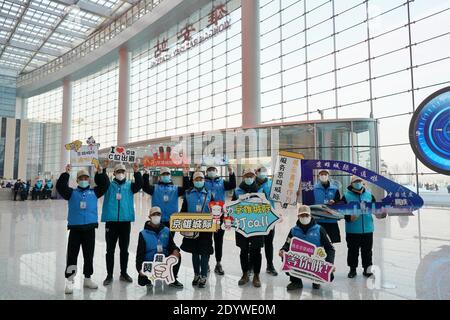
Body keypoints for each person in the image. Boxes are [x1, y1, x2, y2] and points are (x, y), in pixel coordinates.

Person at [56, 163, 110, 294]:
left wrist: (100, 173)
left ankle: (87, 278)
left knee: (88, 255)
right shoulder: (71, 193)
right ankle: (69, 281)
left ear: (89, 180)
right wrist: (66, 173)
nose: (84, 180)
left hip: (90, 229)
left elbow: (105, 185)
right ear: (77, 180)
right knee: (72, 256)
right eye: (81, 178)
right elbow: (60, 187)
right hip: (75, 230)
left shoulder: (94, 192)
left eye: (86, 178)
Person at [101, 161, 143, 286]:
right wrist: (103, 170)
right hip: (111, 222)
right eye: (118, 171)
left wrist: (136, 172)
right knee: (110, 250)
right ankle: (109, 275)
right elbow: (101, 181)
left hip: (125, 222)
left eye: (122, 172)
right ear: (114, 173)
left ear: (125, 173)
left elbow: (140, 184)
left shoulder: (130, 185)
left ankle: (123, 273)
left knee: (124, 250)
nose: (120, 174)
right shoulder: (108, 185)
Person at [279, 205, 335, 290]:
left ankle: (317, 280)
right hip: (300, 260)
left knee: (329, 276)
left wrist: (329, 264)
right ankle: (296, 281)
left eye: (306, 215)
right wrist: (282, 250)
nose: (304, 217)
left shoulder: (319, 229)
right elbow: (287, 244)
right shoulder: (294, 230)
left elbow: (330, 248)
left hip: (316, 260)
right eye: (302, 215)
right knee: (286, 258)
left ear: (310, 215)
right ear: (298, 216)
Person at [342, 175, 385, 278]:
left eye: (359, 181)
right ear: (351, 183)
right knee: (353, 251)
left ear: (363, 182)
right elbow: (342, 211)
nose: (358, 183)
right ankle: (352, 270)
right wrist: (349, 217)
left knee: (367, 251)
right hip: (352, 229)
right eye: (355, 181)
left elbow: (376, 210)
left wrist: (382, 213)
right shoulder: (346, 196)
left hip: (367, 228)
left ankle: (367, 269)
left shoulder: (369, 195)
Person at [180, 172, 214, 288]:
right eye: (197, 179)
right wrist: (180, 222)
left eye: (201, 179)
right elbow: (183, 210)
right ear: (193, 181)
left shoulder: (209, 194)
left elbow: (215, 210)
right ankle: (196, 274)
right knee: (194, 252)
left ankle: (203, 275)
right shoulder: (188, 194)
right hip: (192, 227)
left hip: (206, 228)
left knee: (204, 252)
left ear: (204, 180)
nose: (199, 181)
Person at [136, 206, 183, 289]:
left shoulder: (166, 230)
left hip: (164, 259)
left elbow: (172, 244)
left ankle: (173, 278)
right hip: (150, 260)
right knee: (142, 282)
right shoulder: (143, 234)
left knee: (178, 255)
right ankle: (149, 278)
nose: (156, 216)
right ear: (149, 217)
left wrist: (175, 250)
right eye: (154, 214)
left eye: (158, 214)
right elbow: (140, 253)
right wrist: (139, 269)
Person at [232, 168, 264, 288]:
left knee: (256, 251)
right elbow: (232, 207)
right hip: (242, 225)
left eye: (251, 176)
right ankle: (245, 274)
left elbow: (266, 207)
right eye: (247, 176)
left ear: (254, 177)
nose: (249, 178)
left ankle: (256, 275)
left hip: (257, 225)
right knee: (243, 250)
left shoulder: (261, 190)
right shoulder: (237, 191)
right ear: (243, 177)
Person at [203, 165, 236, 276]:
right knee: (207, 239)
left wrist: (231, 172)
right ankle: (206, 263)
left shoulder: (222, 182)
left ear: (217, 171)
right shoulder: (203, 181)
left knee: (218, 240)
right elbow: (192, 184)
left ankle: (218, 263)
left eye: (213, 170)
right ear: (206, 172)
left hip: (220, 215)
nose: (211, 171)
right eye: (209, 170)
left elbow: (232, 185)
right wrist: (196, 172)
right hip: (207, 215)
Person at [255, 166, 278, 276]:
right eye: (261, 171)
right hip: (255, 218)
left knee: (269, 242)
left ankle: (270, 265)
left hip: (269, 217)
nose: (263, 173)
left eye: (265, 171)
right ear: (257, 172)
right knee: (255, 243)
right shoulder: (252, 184)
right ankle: (252, 266)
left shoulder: (272, 184)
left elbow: (279, 197)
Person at [313, 169, 342, 243]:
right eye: (321, 174)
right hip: (318, 219)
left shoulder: (335, 189)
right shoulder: (314, 189)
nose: (323, 176)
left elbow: (339, 202)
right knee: (318, 242)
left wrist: (335, 202)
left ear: (328, 176)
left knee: (330, 244)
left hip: (331, 219)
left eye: (325, 174)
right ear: (319, 176)